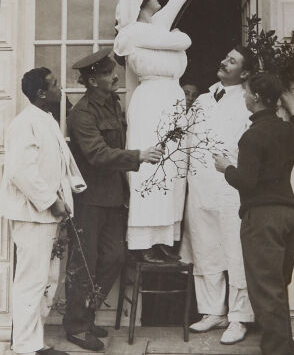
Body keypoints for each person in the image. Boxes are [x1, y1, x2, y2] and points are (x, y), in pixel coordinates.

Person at [63, 48, 163, 352]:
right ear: (93, 81)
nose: (115, 76)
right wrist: (138, 157)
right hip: (90, 200)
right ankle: (77, 326)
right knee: (85, 263)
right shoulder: (82, 114)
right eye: (107, 73)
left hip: (113, 198)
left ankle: (87, 313)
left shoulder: (111, 104)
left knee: (115, 258)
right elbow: (96, 154)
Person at [214, 72, 294, 355]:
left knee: (266, 291)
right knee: (277, 287)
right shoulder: (286, 130)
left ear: (257, 98)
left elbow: (246, 182)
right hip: (289, 217)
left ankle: (277, 351)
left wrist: (226, 168)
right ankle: (283, 347)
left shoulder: (251, 136)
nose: (244, 96)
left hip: (263, 219)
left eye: (246, 92)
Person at [114, 0, 203, 264]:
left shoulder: (156, 26)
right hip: (151, 102)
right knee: (151, 168)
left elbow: (178, 0)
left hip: (173, 101)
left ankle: (166, 238)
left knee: (172, 170)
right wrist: (180, 36)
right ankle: (143, 240)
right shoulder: (131, 33)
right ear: (141, 2)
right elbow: (183, 41)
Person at [0, 68, 86, 355]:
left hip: (50, 214)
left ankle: (35, 342)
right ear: (41, 92)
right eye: (55, 85)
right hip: (32, 214)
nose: (61, 90)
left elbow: (59, 165)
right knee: (32, 280)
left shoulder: (46, 120)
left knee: (46, 280)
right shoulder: (25, 123)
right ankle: (25, 345)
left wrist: (66, 198)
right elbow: (20, 171)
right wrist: (51, 201)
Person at [180, 46, 255, 344]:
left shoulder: (248, 102)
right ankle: (213, 311)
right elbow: (185, 142)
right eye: (225, 57)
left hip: (230, 187)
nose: (224, 61)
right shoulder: (201, 100)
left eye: (233, 61)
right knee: (204, 247)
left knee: (234, 252)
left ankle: (239, 317)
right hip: (200, 187)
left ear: (245, 73)